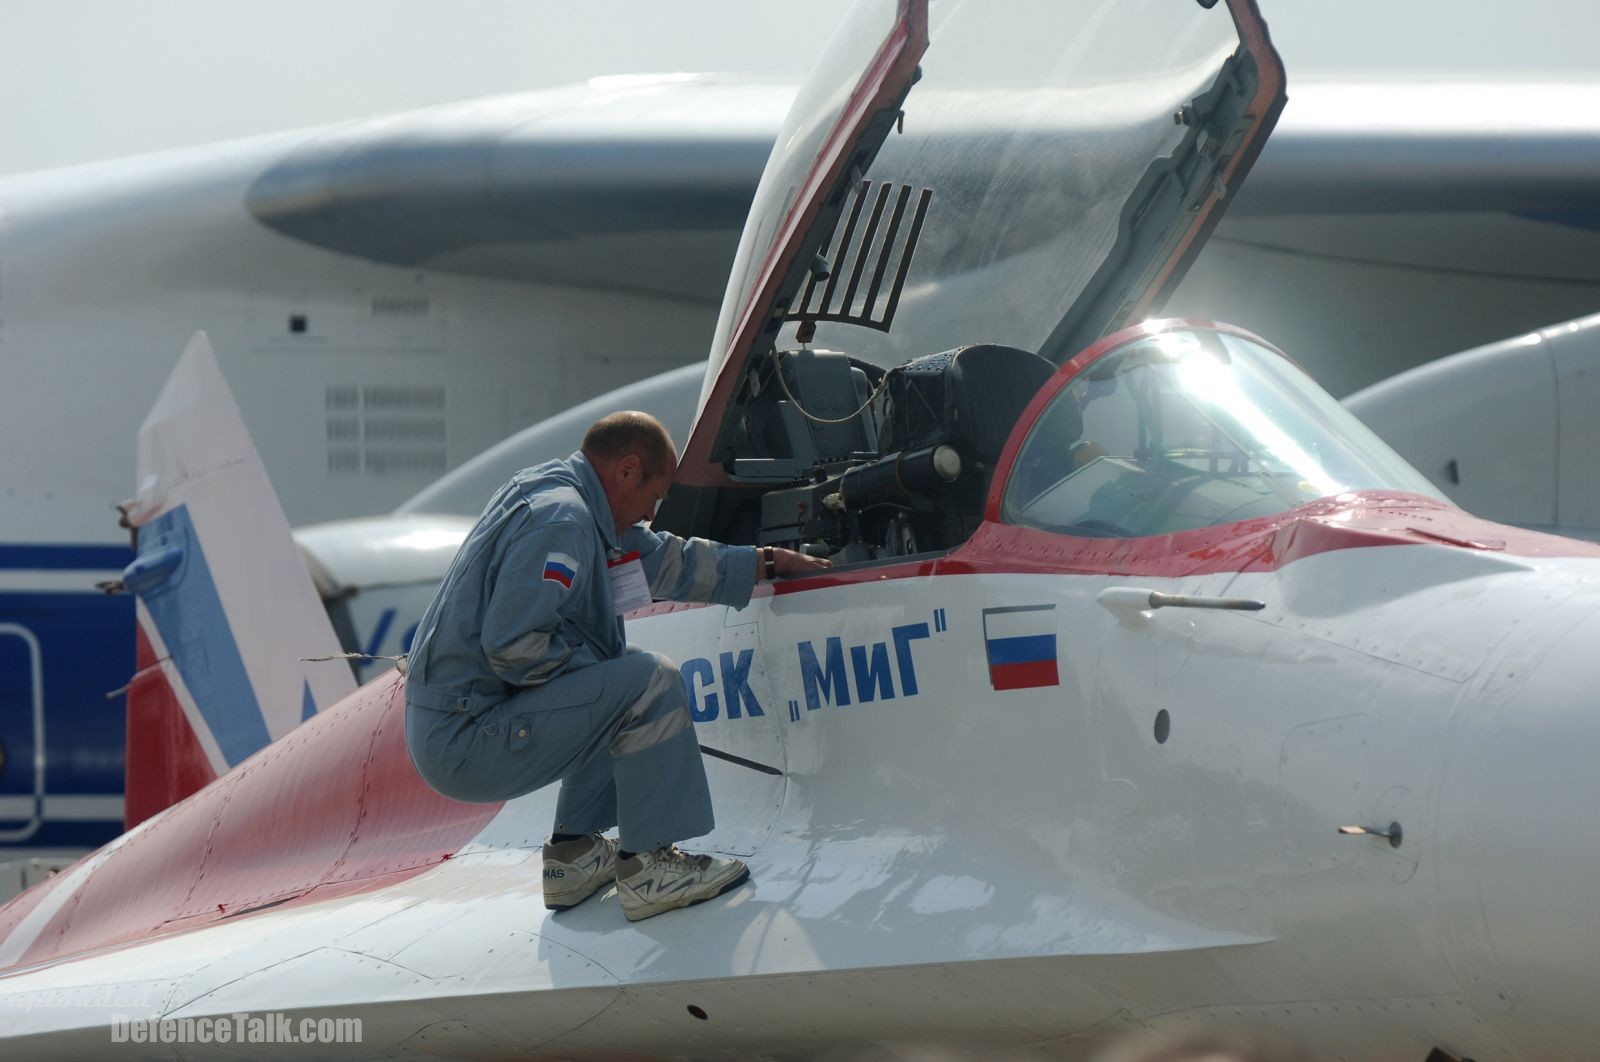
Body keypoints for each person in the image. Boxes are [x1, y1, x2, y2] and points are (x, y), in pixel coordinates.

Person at [403, 411, 829, 921]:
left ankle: (573, 858)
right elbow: (514, 645)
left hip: (456, 726)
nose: (650, 515)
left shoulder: (562, 496)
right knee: (646, 681)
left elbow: (664, 561)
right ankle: (650, 867)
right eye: (653, 498)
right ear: (627, 469)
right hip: (467, 739)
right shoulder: (562, 523)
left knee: (613, 673)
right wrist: (604, 682)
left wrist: (768, 564)